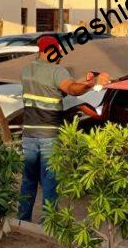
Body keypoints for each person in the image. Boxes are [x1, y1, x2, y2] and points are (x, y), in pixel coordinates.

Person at [17, 33, 111, 223]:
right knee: (50, 182)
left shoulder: (27, 70)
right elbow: (71, 89)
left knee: (28, 181)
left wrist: (83, 83)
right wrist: (93, 84)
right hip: (49, 135)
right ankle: (48, 223)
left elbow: (62, 87)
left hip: (28, 134)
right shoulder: (57, 71)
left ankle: (22, 220)